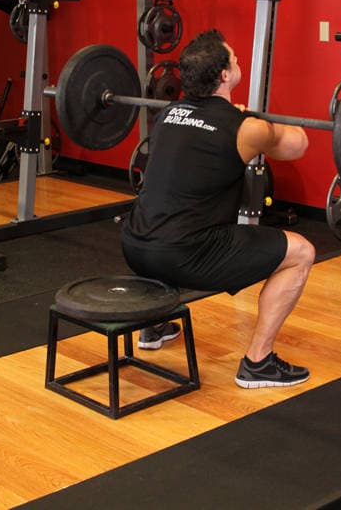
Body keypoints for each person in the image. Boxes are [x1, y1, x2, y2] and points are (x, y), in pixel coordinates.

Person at [121, 29, 316, 389]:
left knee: (177, 214)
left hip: (135, 246)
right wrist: (262, 124)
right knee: (302, 252)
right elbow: (299, 145)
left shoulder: (168, 114)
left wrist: (236, 117)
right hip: (184, 256)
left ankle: (153, 326)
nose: (238, 61)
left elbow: (207, 129)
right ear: (225, 75)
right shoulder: (246, 129)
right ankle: (259, 362)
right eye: (235, 59)